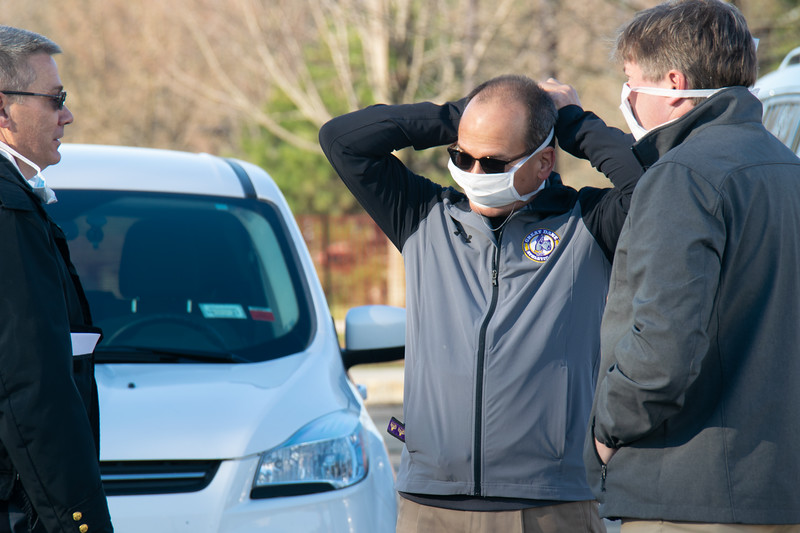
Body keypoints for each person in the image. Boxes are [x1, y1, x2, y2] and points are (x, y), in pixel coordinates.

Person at [320, 74, 641, 532]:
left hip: (549, 504)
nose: (473, 174)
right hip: (429, 502)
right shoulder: (422, 216)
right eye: (460, 157)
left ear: (544, 161)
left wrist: (572, 121)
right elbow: (342, 139)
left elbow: (651, 186)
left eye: (492, 162)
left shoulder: (586, 223)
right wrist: (465, 114)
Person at [561, 0, 800, 531]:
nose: (627, 97)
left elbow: (664, 343)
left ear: (673, 83)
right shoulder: (787, 167)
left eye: (630, 80)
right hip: (777, 487)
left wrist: (606, 430)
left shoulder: (683, 175)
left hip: (690, 492)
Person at [0, 26, 113, 532]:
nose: (66, 114)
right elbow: (30, 385)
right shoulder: (8, 212)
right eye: (55, 99)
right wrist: (79, 522)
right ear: (3, 110)